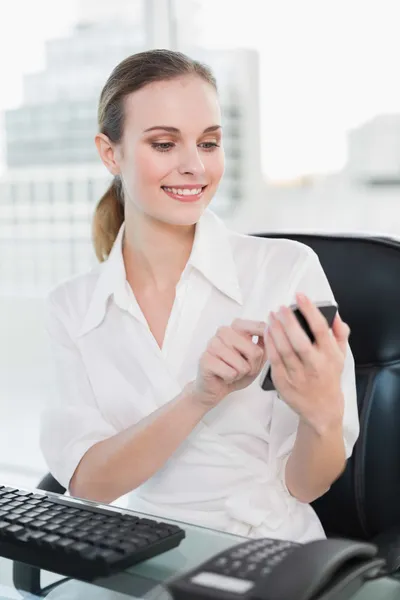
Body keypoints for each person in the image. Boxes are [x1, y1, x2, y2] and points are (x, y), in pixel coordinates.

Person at [40, 49, 359, 543]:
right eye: (165, 144)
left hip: (271, 549)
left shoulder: (285, 270)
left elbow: (305, 486)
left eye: (208, 143)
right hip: (145, 551)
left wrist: (322, 413)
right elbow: (89, 484)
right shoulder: (72, 308)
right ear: (111, 153)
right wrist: (199, 397)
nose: (194, 166)